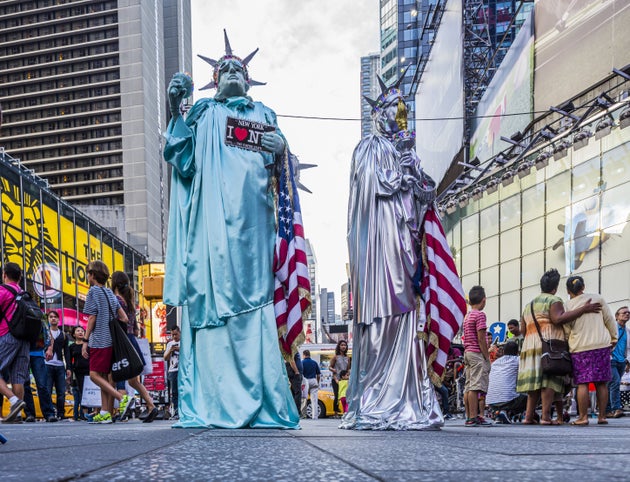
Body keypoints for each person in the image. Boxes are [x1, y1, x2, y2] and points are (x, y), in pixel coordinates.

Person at [163, 31, 303, 429]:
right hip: (210, 230)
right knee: (211, 304)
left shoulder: (265, 115)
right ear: (214, 79)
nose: (229, 70)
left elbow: (284, 175)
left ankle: (261, 398)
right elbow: (181, 158)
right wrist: (175, 107)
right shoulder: (203, 113)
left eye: (236, 67)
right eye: (223, 68)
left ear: (248, 75)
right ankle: (211, 399)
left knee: (255, 302)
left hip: (255, 229)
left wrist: (281, 151)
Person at [342, 68, 463, 431]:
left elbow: (426, 200)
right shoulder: (370, 148)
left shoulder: (406, 153)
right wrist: (402, 171)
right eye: (391, 111)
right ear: (377, 114)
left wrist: (415, 172)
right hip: (380, 253)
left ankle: (409, 396)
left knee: (407, 319)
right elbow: (373, 187)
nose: (398, 118)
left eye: (402, 111)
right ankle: (375, 399)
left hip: (406, 249)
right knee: (383, 317)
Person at [516, 268, 601, 425]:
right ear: (555, 288)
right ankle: (546, 417)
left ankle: (528, 417)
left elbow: (522, 329)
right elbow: (558, 318)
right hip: (549, 344)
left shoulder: (529, 305)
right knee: (549, 380)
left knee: (534, 383)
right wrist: (583, 309)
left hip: (530, 345)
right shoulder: (554, 301)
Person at [81, 260, 132, 424]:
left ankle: (121, 398)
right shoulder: (110, 293)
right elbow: (124, 317)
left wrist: (85, 340)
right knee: (104, 376)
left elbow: (92, 318)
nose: (88, 276)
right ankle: (105, 412)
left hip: (99, 340)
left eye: (89, 273)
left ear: (93, 275)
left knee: (94, 375)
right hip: (111, 341)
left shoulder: (93, 292)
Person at [564, 276, 616, 426]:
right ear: (583, 287)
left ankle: (583, 417)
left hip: (580, 347)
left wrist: (567, 344)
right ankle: (602, 417)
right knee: (601, 382)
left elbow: (566, 329)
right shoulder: (597, 299)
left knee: (583, 383)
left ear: (568, 290)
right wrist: (613, 338)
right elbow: (609, 319)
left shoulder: (568, 305)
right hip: (601, 344)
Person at [111, 271, 158, 423]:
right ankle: (150, 405)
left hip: (123, 342)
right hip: (132, 341)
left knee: (115, 376)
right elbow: (136, 329)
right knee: (132, 380)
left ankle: (116, 411)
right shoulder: (129, 301)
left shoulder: (117, 300)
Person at [0, 262, 29, 423]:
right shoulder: (25, 294)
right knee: (18, 377)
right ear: (19, 278)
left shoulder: (2, 291)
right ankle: (16, 415)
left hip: (6, 336)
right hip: (24, 340)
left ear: (5, 275)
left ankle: (13, 400)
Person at [463, 286, 492, 427]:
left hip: (467, 353)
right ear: (483, 300)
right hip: (476, 353)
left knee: (468, 386)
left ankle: (469, 415)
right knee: (475, 386)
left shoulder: (467, 316)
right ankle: (473, 417)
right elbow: (481, 339)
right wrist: (487, 357)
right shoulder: (480, 315)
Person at [23, 313, 57, 423]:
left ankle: (46, 413)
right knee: (28, 384)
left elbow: (46, 331)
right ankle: (33, 414)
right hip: (25, 351)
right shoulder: (36, 312)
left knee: (39, 385)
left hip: (35, 352)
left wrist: (49, 347)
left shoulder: (38, 313)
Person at [486, 342, 527, 423]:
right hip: (508, 401)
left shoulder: (495, 362)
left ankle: (499, 413)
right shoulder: (518, 360)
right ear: (517, 351)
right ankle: (508, 412)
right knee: (530, 398)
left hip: (491, 402)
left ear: (504, 351)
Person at [45, 310, 71, 420]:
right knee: (47, 390)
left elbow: (67, 352)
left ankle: (61, 413)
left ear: (58, 319)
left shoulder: (63, 335)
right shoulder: (45, 333)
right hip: (47, 364)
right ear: (48, 319)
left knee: (61, 392)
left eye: (55, 317)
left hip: (60, 365)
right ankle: (49, 414)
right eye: (51, 317)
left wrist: (68, 368)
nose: (53, 318)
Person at [607, 306, 630, 418]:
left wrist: (627, 361)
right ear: (617, 316)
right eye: (624, 313)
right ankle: (617, 408)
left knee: (610, 385)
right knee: (615, 383)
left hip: (622, 361)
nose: (627, 314)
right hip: (611, 360)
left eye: (628, 313)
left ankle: (607, 410)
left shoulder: (627, 331)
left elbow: (628, 348)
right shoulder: (611, 328)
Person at [68, 326, 90, 421]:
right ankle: (84, 413)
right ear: (74, 334)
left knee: (90, 391)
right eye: (78, 331)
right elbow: (69, 361)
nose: (80, 332)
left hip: (89, 370)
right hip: (78, 372)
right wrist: (68, 370)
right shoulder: (71, 347)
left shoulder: (88, 345)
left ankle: (90, 412)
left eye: (82, 330)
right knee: (82, 392)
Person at [329, 340, 350, 415]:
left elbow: (348, 369)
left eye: (345, 345)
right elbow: (330, 367)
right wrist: (333, 370)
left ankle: (345, 411)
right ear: (339, 346)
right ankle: (335, 412)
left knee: (345, 395)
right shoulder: (335, 357)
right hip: (336, 379)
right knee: (337, 395)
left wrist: (349, 374)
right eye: (342, 345)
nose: (343, 346)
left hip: (345, 380)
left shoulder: (347, 358)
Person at [164, 326, 181, 419]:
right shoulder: (170, 344)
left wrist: (179, 349)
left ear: (180, 333)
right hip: (173, 370)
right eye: (172, 335)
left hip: (182, 369)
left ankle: (182, 410)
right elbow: (165, 358)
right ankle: (176, 411)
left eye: (176, 334)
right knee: (174, 392)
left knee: (182, 391)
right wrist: (170, 350)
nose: (174, 337)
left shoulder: (184, 342)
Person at [302, 350, 320, 420]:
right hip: (313, 380)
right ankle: (315, 416)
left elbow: (301, 374)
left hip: (305, 381)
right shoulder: (314, 362)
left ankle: (303, 415)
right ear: (309, 355)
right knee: (314, 400)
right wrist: (317, 383)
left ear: (304, 355)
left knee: (304, 398)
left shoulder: (302, 362)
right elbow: (318, 375)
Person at [285, 351, 303, 417]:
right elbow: (291, 360)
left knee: (293, 392)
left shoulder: (292, 348)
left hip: (294, 373)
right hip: (294, 373)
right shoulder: (292, 348)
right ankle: (297, 412)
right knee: (298, 393)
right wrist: (297, 371)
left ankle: (293, 411)